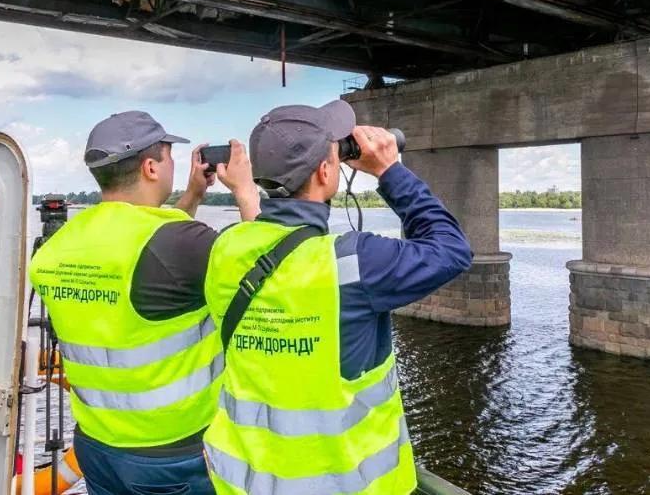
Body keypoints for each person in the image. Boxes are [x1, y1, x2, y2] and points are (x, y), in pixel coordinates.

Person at [201, 100, 473, 495]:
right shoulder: (353, 262)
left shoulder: (226, 249)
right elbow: (452, 250)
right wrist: (389, 170)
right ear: (327, 171)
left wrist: (246, 191)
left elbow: (266, 236)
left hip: (244, 482)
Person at [28, 111, 258, 495]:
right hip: (172, 454)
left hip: (97, 447)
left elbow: (151, 253)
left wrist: (193, 197)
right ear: (151, 167)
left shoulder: (55, 250)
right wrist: (246, 191)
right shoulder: (182, 244)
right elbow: (270, 271)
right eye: (168, 157)